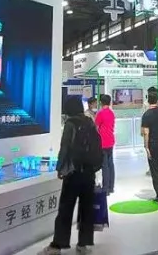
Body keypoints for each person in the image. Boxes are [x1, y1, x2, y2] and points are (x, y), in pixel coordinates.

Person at [43, 97, 102, 254]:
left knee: (65, 209)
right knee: (86, 209)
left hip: (73, 173)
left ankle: (57, 245)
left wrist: (60, 168)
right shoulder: (89, 121)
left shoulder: (70, 124)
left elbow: (65, 148)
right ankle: (83, 244)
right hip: (89, 173)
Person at [141, 87, 158, 176]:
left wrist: (142, 130)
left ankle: (153, 169)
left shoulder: (146, 104)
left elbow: (143, 117)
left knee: (150, 149)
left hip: (150, 130)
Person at [95, 94, 116, 195]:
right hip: (111, 140)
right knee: (110, 164)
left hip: (103, 142)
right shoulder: (111, 113)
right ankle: (111, 187)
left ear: (101, 102)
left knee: (105, 166)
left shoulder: (100, 113)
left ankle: (106, 188)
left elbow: (96, 127)